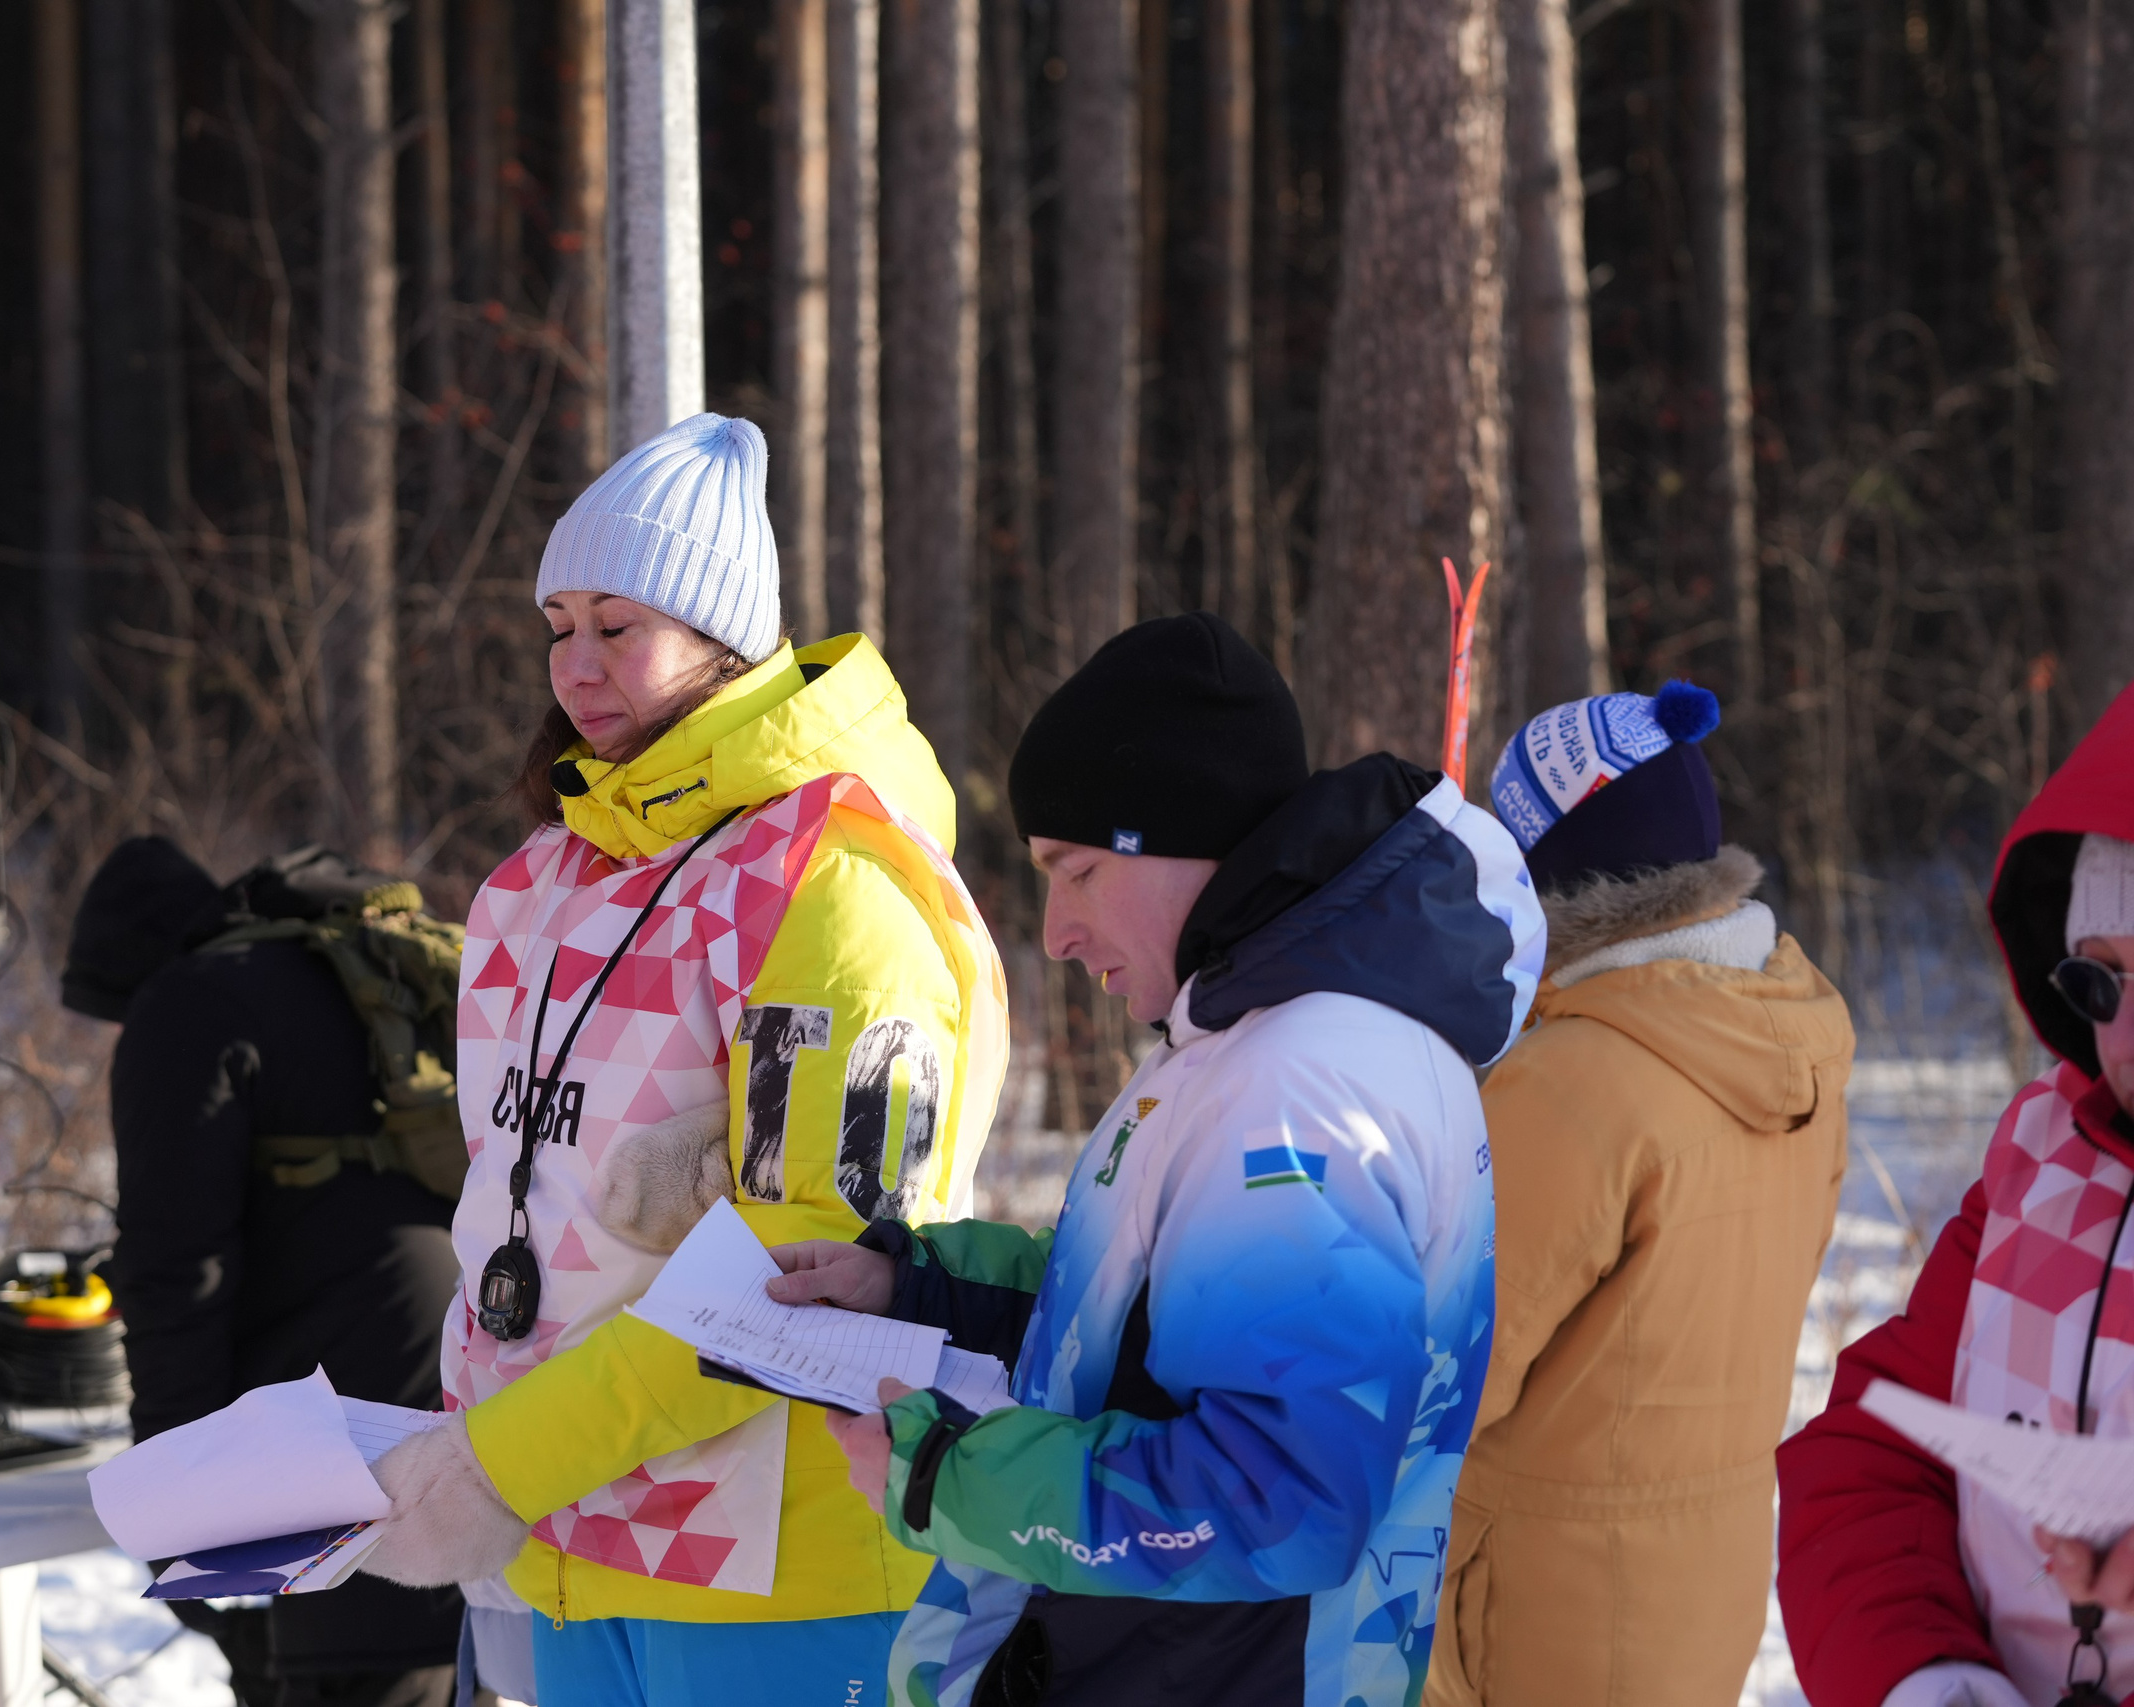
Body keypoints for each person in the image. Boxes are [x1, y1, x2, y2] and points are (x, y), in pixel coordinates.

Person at [763, 612, 1546, 1707]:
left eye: (1074, 872)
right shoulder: (1246, 1036)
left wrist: (952, 1471)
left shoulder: (1300, 1082)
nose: (1053, 932)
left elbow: (1281, 1496)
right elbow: (1156, 1305)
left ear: (1180, 840)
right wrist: (924, 1288)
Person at [356, 413, 1009, 1707]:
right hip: (567, 1541)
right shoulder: (540, 878)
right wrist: (480, 1451)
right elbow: (515, 1191)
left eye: (620, 625)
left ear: (724, 637)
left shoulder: (826, 878)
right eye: (559, 626)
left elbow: (815, 1255)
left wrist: (503, 1461)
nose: (578, 665)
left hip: (783, 1562)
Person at [1419, 684, 1855, 1707]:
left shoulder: (1574, 1083)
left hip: (1535, 1609)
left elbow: (1445, 1372)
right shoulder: (1800, 1034)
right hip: (1705, 1577)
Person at [1777, 683, 2134, 1707]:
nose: (2118, 1041)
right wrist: (1923, 1675)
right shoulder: (2040, 1159)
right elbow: (1873, 1457)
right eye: (2096, 984)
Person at [62, 838, 469, 1707]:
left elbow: (176, 1275)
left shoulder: (187, 1004)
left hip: (335, 1447)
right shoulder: (338, 968)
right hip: (476, 1404)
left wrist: (181, 1511)